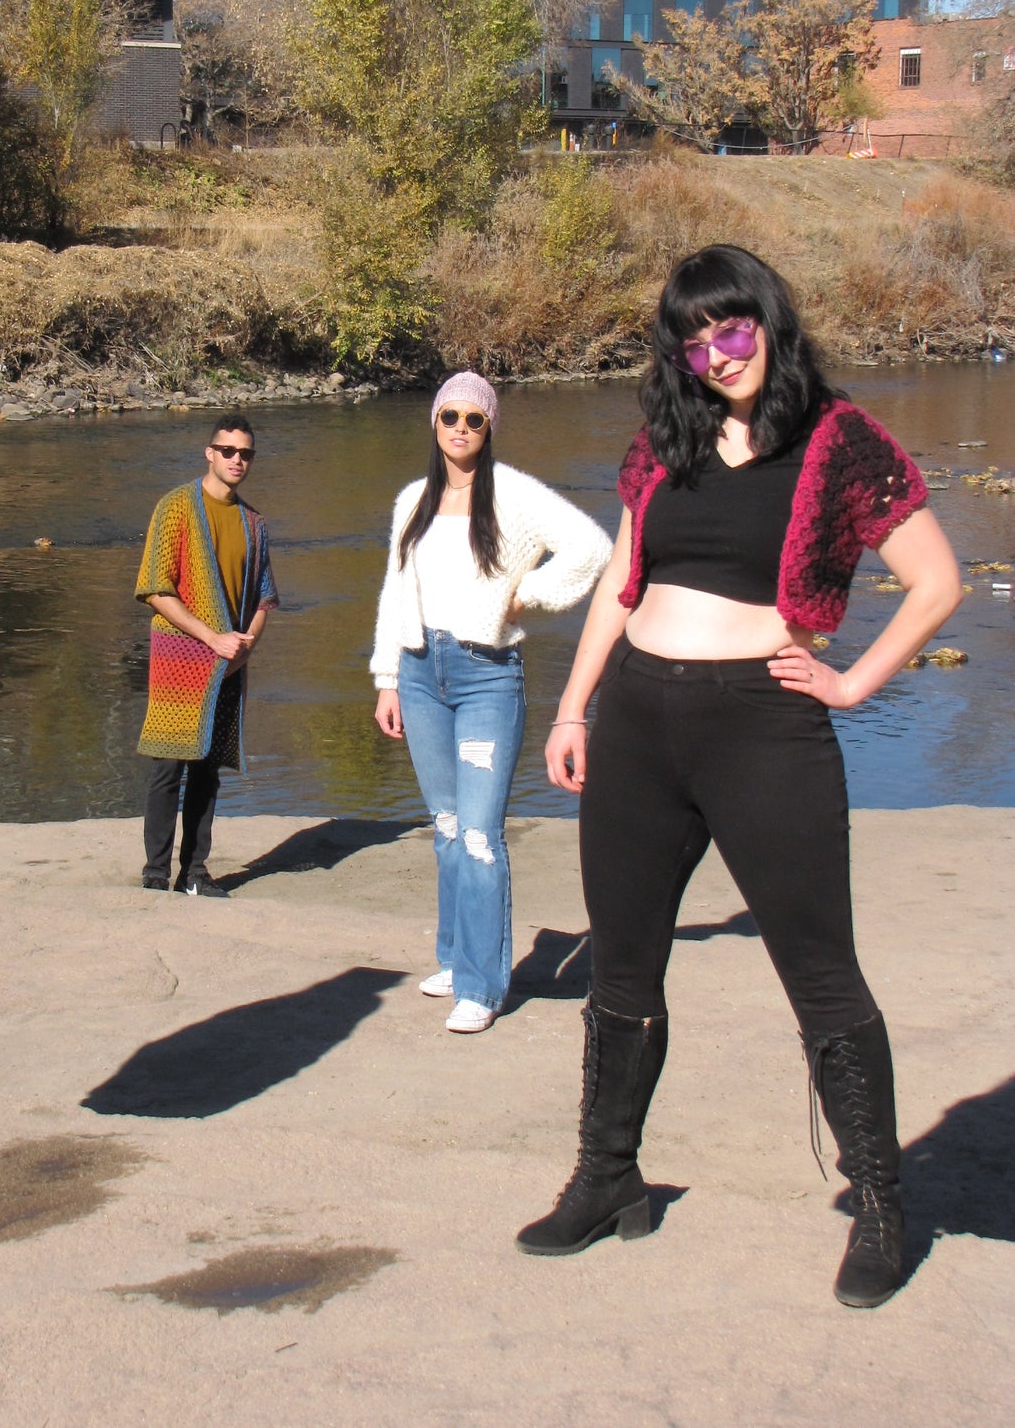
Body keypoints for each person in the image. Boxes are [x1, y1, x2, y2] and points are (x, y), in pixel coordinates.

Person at [518, 245, 964, 1309]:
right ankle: (606, 1174)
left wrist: (849, 684)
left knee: (818, 975)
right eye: (691, 338)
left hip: (763, 727)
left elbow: (936, 580)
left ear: (766, 319)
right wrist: (573, 705)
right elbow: (620, 588)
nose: (713, 354)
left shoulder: (838, 440)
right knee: (621, 965)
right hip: (635, 722)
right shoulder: (659, 445)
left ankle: (880, 1205)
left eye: (728, 328)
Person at [372, 372, 612, 1032]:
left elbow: (593, 550)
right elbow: (396, 592)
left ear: (488, 426)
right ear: (433, 421)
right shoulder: (411, 501)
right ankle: (456, 957)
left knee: (478, 835)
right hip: (420, 675)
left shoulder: (513, 494)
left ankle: (482, 985)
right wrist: (385, 678)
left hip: (485, 678)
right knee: (446, 827)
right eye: (448, 415)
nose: (459, 428)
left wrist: (523, 594)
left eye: (472, 418)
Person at [136, 415, 277, 896]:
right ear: (209, 452)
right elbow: (157, 590)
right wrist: (211, 637)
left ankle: (194, 872)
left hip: (229, 662)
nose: (238, 460)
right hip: (179, 655)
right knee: (167, 765)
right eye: (228, 451)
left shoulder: (254, 523)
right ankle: (155, 872)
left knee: (207, 768)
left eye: (246, 454)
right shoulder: (175, 508)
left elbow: (264, 597)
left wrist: (245, 644)